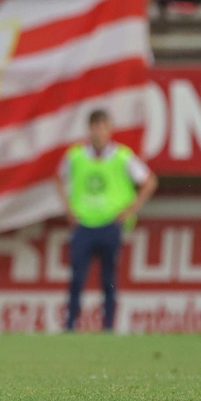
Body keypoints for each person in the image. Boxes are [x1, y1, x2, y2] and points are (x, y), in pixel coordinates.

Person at [56, 108, 157, 333]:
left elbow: (149, 181)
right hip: (83, 225)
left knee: (108, 279)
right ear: (90, 129)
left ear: (110, 130)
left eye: (103, 127)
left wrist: (131, 210)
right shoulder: (76, 156)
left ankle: (108, 327)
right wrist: (68, 209)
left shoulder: (122, 156)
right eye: (95, 127)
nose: (99, 132)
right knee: (77, 278)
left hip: (111, 224)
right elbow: (59, 178)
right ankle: (70, 326)